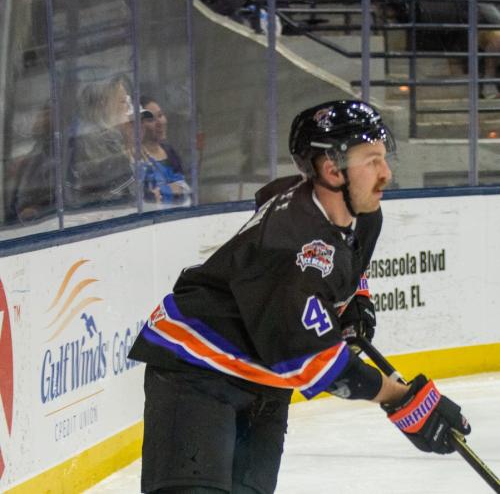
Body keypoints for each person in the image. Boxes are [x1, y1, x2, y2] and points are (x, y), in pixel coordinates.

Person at [128, 100, 471, 494]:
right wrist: (403, 400)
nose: (386, 174)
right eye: (372, 161)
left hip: (267, 377)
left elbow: (342, 256)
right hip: (198, 369)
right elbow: (317, 363)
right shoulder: (290, 244)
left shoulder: (361, 213)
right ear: (332, 170)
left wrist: (354, 300)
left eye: (383, 158)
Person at [66, 76, 137, 208]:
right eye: (122, 101)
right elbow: (105, 190)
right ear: (103, 104)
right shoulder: (88, 140)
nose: (128, 107)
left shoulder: (114, 136)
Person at [139, 96, 191, 207]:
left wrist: (168, 189)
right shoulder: (137, 158)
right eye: (151, 120)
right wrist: (171, 188)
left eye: (160, 115)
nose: (160, 123)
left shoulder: (170, 152)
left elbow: (185, 190)